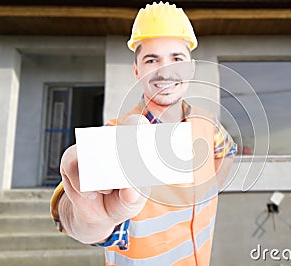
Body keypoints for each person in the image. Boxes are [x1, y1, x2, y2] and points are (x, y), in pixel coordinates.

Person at [50, 2, 237, 265]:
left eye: (176, 58)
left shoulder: (207, 123)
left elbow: (227, 151)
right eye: (152, 60)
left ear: (191, 68)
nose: (165, 70)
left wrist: (210, 188)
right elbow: (68, 214)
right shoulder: (116, 135)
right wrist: (94, 219)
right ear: (136, 70)